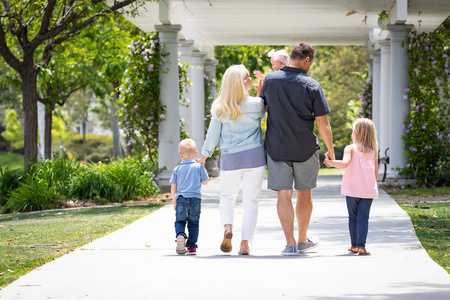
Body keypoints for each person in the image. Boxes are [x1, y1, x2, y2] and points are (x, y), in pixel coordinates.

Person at [259, 43, 335, 256]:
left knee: (283, 195)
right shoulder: (311, 85)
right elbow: (322, 122)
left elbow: (261, 110)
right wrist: (331, 150)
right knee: (304, 194)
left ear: (291, 57)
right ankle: (302, 240)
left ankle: (290, 243)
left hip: (277, 148)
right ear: (307, 60)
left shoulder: (270, 80)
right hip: (305, 149)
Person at [197, 65, 266, 255]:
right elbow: (262, 115)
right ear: (243, 81)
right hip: (255, 157)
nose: (251, 79)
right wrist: (260, 94)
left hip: (231, 158)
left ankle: (228, 228)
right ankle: (244, 244)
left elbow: (212, 135)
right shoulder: (256, 104)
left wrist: (204, 155)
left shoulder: (221, 107)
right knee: (251, 201)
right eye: (248, 76)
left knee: (227, 197)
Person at [324, 118, 379, 255]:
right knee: (364, 218)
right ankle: (362, 246)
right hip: (368, 190)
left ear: (358, 132)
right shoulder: (373, 150)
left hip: (352, 188)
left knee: (353, 217)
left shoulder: (350, 149)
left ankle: (354, 245)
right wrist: (373, 186)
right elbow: (375, 172)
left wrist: (330, 162)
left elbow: (345, 164)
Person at [171, 139, 209, 255]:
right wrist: (202, 167)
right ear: (195, 154)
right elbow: (205, 182)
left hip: (181, 199)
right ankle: (192, 246)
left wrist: (174, 201)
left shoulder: (177, 169)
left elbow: (173, 187)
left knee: (180, 221)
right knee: (194, 223)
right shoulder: (199, 167)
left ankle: (180, 235)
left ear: (180, 154)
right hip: (195, 200)